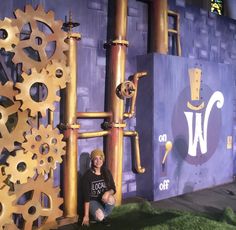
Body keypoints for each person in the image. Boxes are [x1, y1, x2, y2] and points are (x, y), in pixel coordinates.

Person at [81, 149, 116, 226]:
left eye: (100, 158)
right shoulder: (87, 176)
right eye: (95, 159)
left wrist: (108, 192)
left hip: (104, 199)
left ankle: (102, 215)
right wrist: (86, 216)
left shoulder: (106, 171)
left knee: (111, 199)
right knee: (100, 216)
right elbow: (86, 198)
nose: (98, 161)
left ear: (103, 159)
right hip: (93, 201)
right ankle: (99, 216)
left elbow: (113, 189)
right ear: (92, 160)